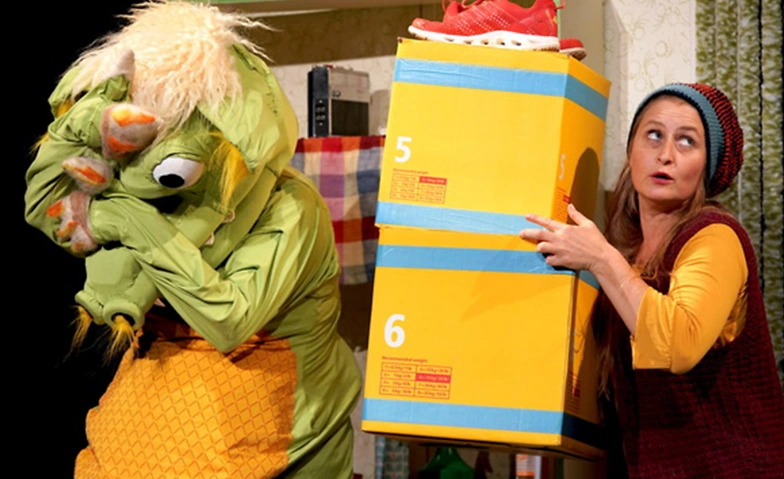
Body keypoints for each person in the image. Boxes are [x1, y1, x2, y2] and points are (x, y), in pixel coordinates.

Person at [23, 2, 360, 478]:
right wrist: (80, 129)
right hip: (161, 374)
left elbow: (229, 319)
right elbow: (49, 210)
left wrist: (130, 221)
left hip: (270, 387)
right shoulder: (140, 185)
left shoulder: (290, 206)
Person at [519, 83, 784, 478]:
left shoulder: (716, 236)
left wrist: (601, 258)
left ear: (708, 166)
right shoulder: (629, 254)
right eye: (654, 135)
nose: (665, 155)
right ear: (631, 151)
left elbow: (678, 344)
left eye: (687, 141)